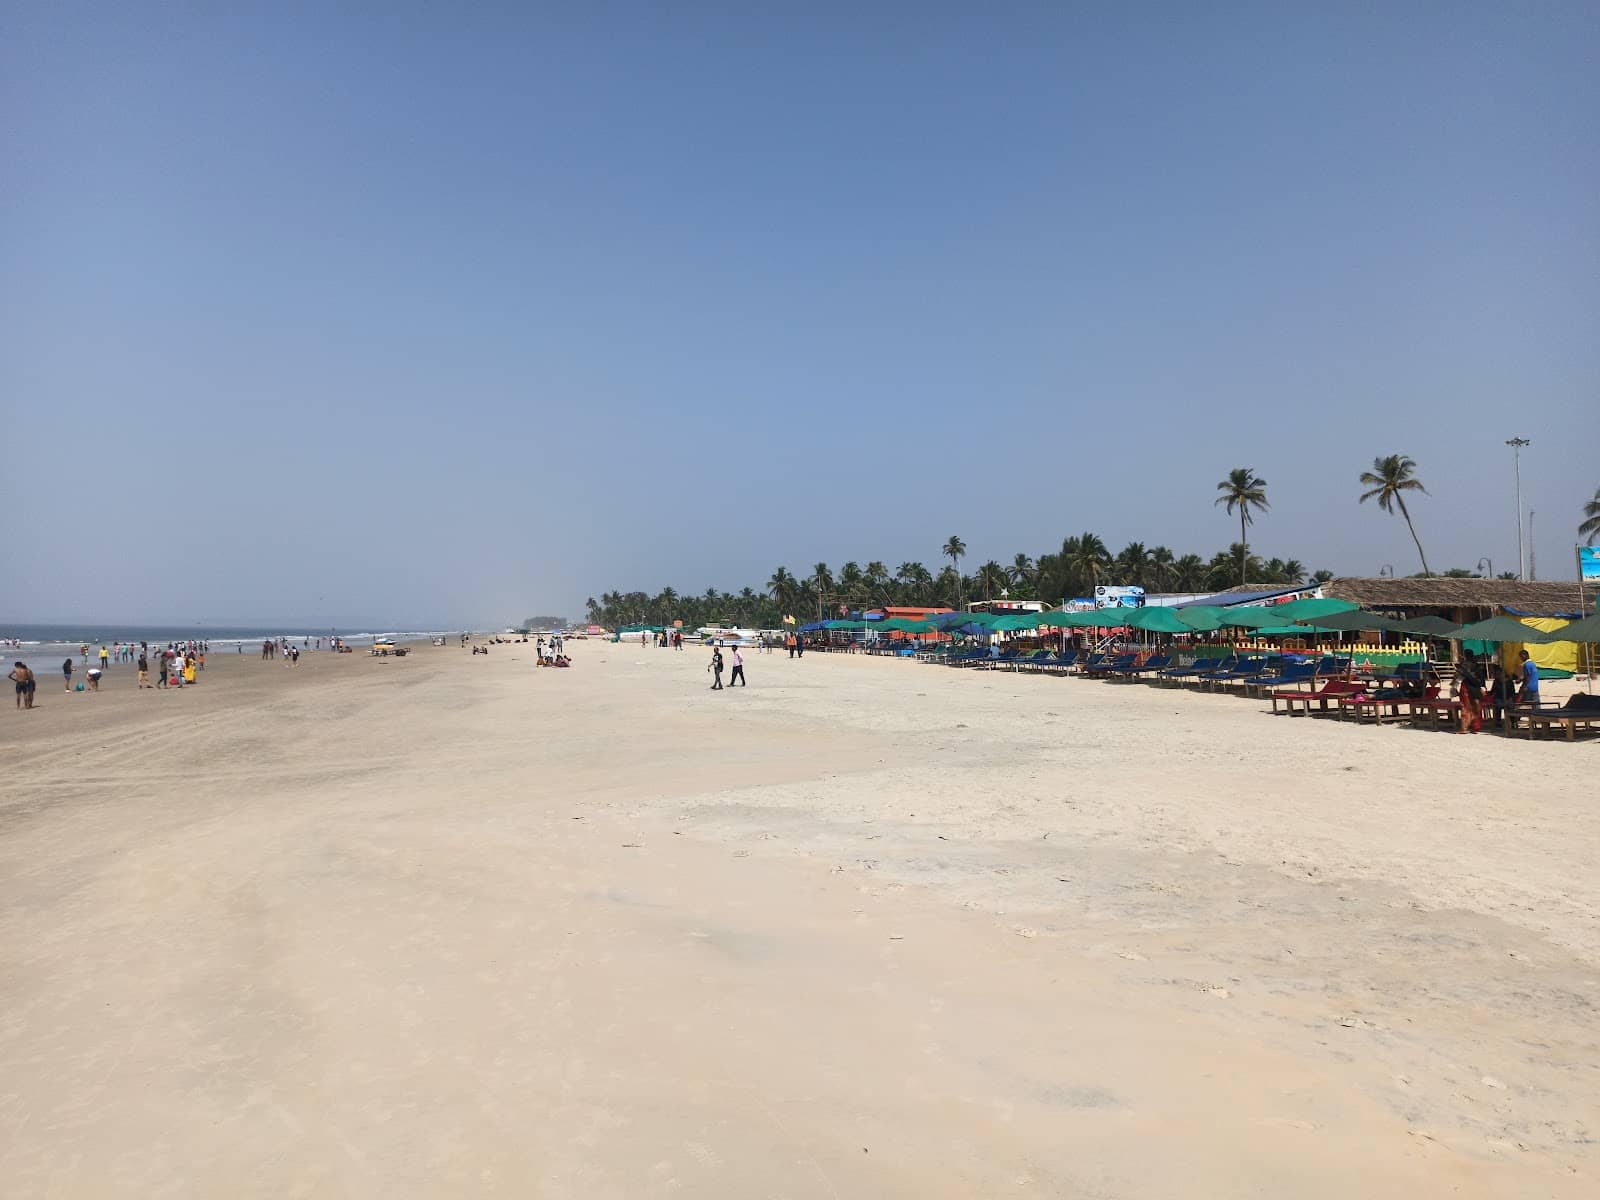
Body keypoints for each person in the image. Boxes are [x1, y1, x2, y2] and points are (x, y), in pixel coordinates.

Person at [1456, 651, 1484, 734]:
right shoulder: (1477, 666)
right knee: (1476, 707)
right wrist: (1482, 686)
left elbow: (1458, 678)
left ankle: (1465, 727)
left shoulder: (1464, 665)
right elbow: (1481, 678)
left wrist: (1454, 687)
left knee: (1466, 708)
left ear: (1465, 656)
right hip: (1476, 688)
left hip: (1466, 688)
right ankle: (1476, 727)